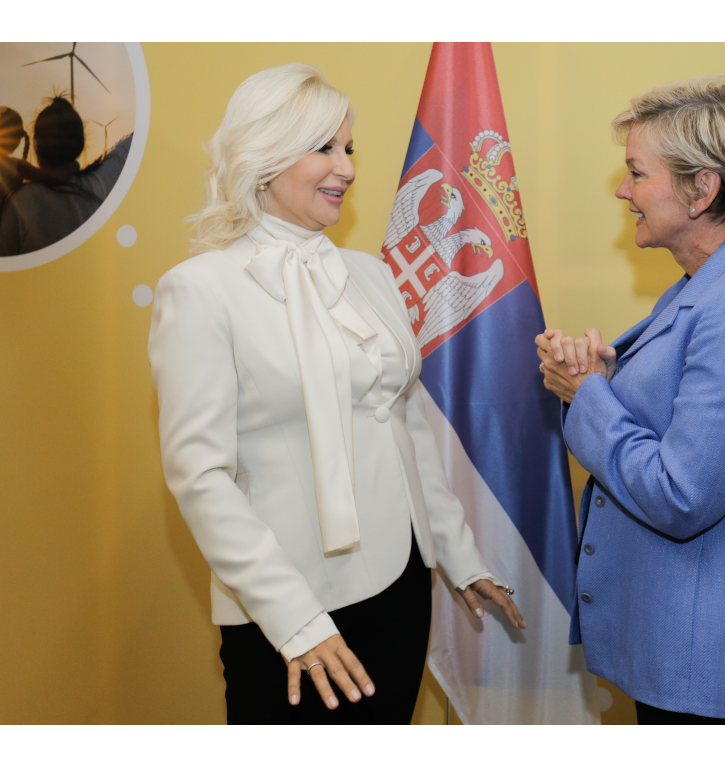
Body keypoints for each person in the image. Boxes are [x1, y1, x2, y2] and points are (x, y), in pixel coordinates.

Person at [148, 63, 524, 725]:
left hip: (402, 589)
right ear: (265, 154)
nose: (347, 168)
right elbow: (200, 477)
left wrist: (460, 555)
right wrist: (296, 620)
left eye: (349, 148)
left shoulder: (372, 274)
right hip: (288, 611)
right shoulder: (199, 289)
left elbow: (404, 425)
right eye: (324, 147)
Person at [536, 76, 725, 725]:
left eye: (638, 173)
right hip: (683, 649)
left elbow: (682, 494)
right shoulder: (709, 284)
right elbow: (675, 417)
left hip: (711, 664)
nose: (623, 190)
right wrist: (602, 378)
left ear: (702, 189)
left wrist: (590, 396)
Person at [0, 97, 131, 256]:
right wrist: (74, 166)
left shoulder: (22, 202)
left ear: (37, 145)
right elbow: (128, 149)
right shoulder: (98, 186)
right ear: (79, 144)